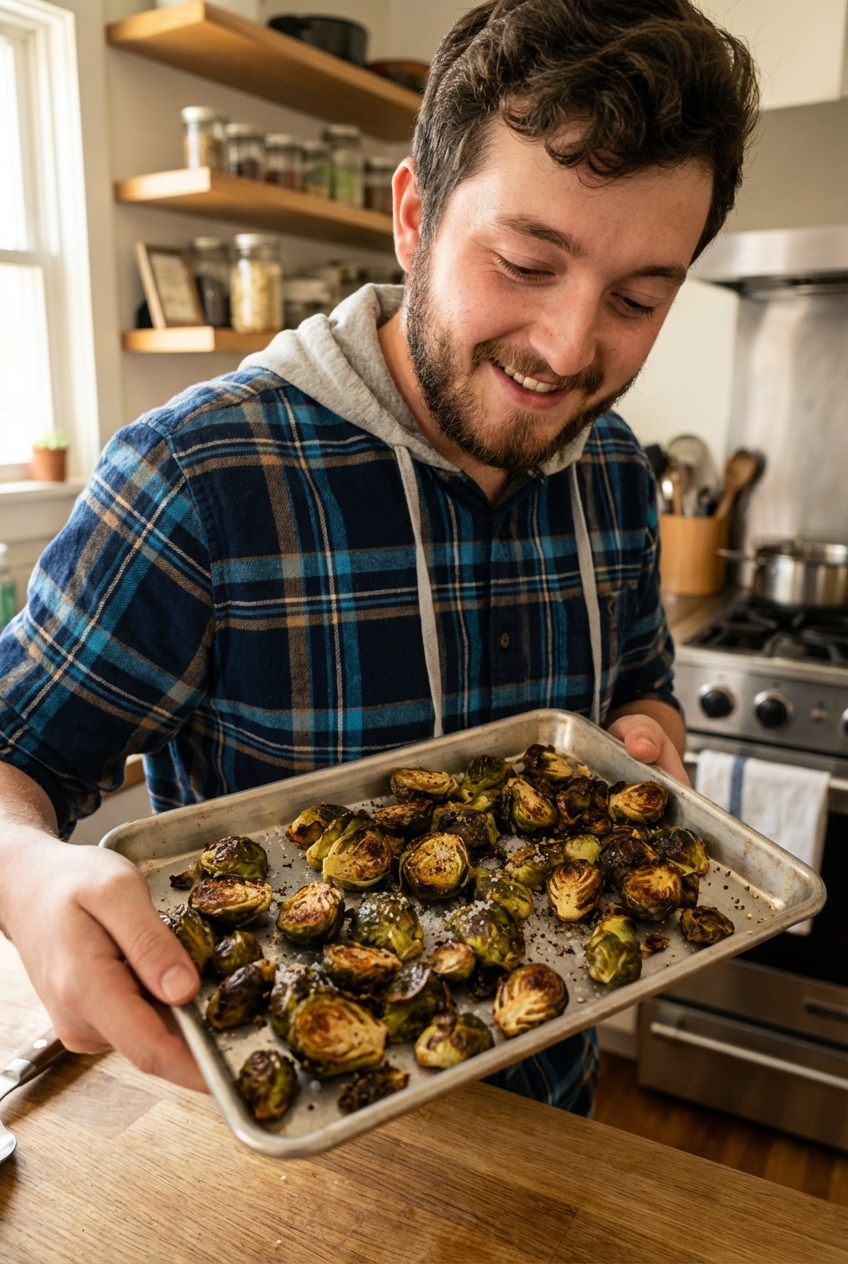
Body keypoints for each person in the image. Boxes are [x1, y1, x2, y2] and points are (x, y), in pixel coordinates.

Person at [0, 0, 757, 1106]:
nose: (569, 349)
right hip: (288, 1144)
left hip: (551, 1114)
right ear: (412, 216)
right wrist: (27, 872)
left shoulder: (612, 472)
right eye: (524, 262)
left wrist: (652, 739)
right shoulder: (200, 477)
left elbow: (639, 688)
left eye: (638, 298)